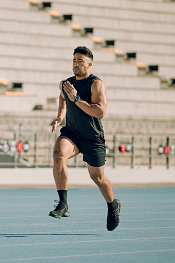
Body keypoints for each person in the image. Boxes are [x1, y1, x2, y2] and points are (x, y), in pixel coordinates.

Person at [50, 46, 121, 231]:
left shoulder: (96, 84)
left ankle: (112, 205)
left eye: (80, 61)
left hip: (92, 137)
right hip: (72, 133)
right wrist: (60, 116)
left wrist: (76, 99)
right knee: (58, 154)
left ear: (89, 64)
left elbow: (100, 112)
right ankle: (63, 204)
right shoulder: (65, 84)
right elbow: (62, 97)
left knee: (98, 178)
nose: (76, 64)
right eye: (74, 60)